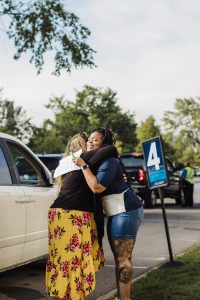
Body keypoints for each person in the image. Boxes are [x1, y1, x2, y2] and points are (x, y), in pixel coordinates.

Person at [45, 132, 118, 300]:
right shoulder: (84, 158)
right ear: (83, 146)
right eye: (89, 142)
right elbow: (111, 150)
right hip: (72, 216)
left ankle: (62, 295)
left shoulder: (67, 165)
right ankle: (74, 296)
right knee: (74, 262)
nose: (92, 144)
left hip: (59, 215)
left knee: (62, 262)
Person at [73, 128, 144, 300]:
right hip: (116, 211)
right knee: (119, 258)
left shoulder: (109, 161)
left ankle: (124, 298)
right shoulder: (97, 160)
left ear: (104, 144)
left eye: (95, 140)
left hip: (125, 210)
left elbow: (97, 187)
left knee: (123, 259)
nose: (90, 142)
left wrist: (82, 164)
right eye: (89, 138)